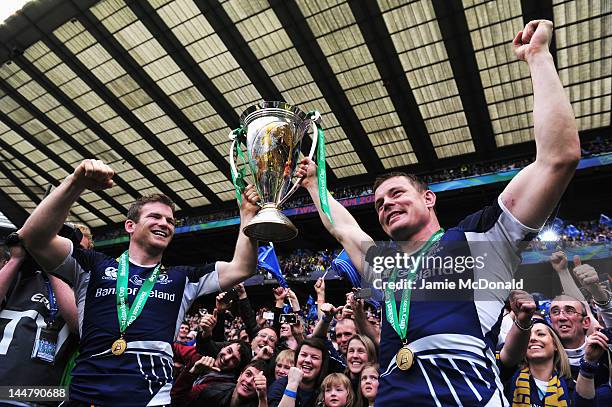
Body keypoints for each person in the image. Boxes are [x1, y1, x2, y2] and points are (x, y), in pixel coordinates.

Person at [297, 19, 581, 406]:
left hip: (465, 395)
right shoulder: (385, 265)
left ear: (429, 199)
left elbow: (557, 159)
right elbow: (344, 228)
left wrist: (538, 57)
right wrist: (315, 185)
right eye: (379, 204)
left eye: (397, 194)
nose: (386, 206)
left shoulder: (478, 240)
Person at [17, 159, 261, 406]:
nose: (164, 223)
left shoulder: (182, 278)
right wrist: (75, 183)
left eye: (170, 221)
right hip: (85, 397)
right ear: (130, 226)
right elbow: (32, 237)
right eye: (155, 216)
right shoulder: (93, 266)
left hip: (151, 400)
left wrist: (247, 215)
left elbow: (243, 267)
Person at [500, 321, 602, 406]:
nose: (532, 339)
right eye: (527, 336)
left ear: (555, 345)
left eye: (541, 334)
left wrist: (589, 360)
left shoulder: (571, 385)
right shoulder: (506, 377)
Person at [267, 338, 329, 407]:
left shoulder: (327, 390)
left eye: (314, 357)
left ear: (322, 363)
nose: (307, 360)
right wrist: (292, 385)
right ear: (296, 359)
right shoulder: (279, 386)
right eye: (304, 355)